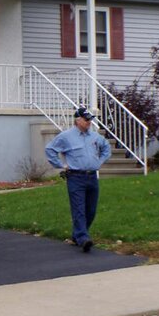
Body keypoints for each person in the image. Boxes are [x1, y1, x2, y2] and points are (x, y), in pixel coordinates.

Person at [45, 106, 111, 253]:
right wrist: (61, 165)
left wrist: (99, 162)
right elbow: (50, 149)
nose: (89, 122)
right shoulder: (66, 136)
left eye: (90, 120)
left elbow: (106, 147)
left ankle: (78, 234)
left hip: (92, 177)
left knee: (91, 210)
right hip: (76, 177)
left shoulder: (94, 137)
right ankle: (83, 238)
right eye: (86, 120)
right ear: (78, 120)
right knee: (79, 209)